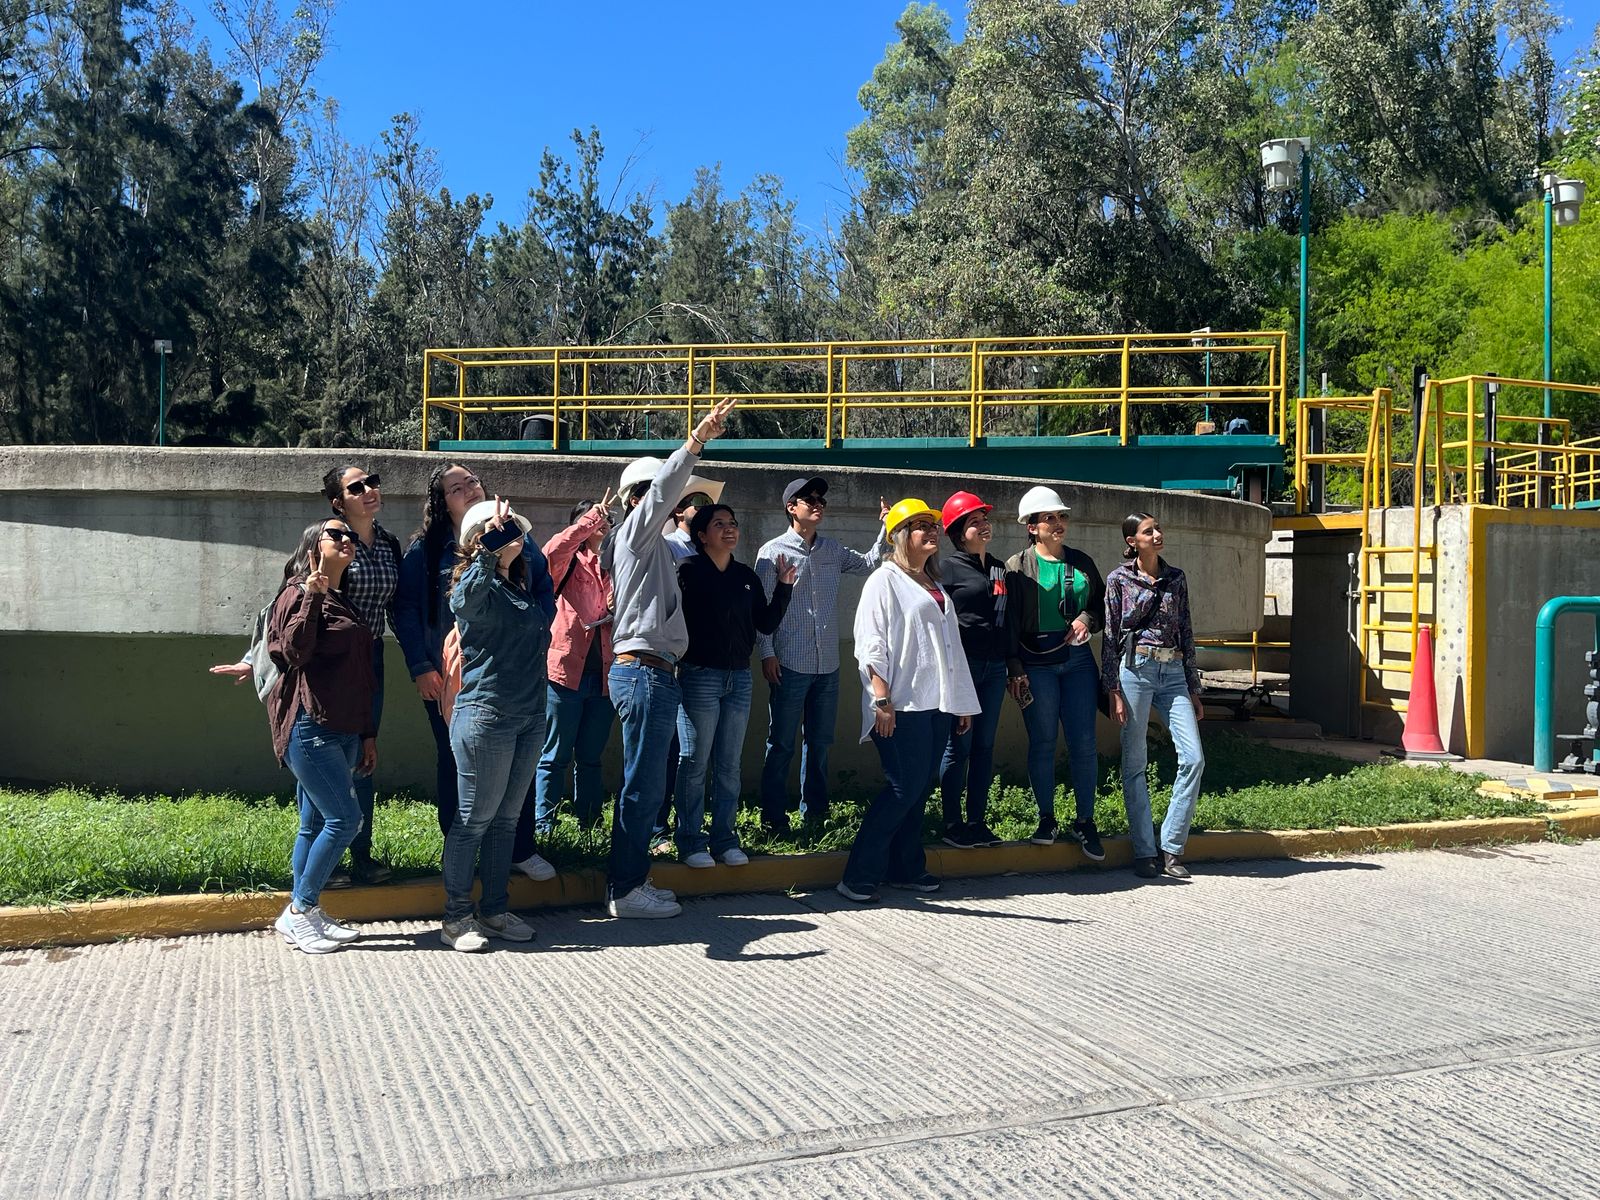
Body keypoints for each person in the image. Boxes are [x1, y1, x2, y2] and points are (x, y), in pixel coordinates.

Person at [601, 397, 738, 918]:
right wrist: (696, 440)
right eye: (670, 495)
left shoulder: (653, 548)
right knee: (643, 783)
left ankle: (629, 879)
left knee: (645, 780)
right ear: (641, 499)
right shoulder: (636, 535)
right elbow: (660, 494)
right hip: (644, 673)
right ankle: (625, 887)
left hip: (653, 674)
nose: (681, 505)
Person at [393, 463, 556, 844]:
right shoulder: (428, 549)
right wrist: (420, 666)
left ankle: (519, 848)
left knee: (520, 760)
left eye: (472, 482)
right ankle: (458, 845)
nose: (469, 489)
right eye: (456, 488)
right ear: (442, 503)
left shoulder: (518, 537)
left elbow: (544, 589)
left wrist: (535, 628)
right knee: (454, 760)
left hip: (513, 673)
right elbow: (405, 609)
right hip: (451, 674)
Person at [837, 499, 980, 903]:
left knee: (919, 790)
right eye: (920, 526)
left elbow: (950, 647)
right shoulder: (884, 581)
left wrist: (962, 701)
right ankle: (858, 874)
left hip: (935, 705)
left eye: (932, 525)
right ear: (901, 536)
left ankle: (905, 867)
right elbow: (871, 644)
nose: (931, 531)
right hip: (901, 705)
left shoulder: (930, 582)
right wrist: (881, 699)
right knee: (904, 787)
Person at [438, 497, 551, 951]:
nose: (516, 536)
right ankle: (456, 917)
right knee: (474, 820)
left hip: (528, 716)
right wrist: (490, 545)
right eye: (506, 529)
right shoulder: (473, 584)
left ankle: (496, 910)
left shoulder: (519, 587)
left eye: (517, 531)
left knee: (506, 822)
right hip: (487, 716)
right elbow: (463, 603)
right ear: (479, 540)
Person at [265, 518, 376, 954]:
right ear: (314, 545)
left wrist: (368, 733)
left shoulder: (342, 600)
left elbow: (362, 674)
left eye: (350, 536)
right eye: (337, 535)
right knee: (345, 820)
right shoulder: (296, 593)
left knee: (313, 824)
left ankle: (306, 912)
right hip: (311, 727)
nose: (347, 540)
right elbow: (291, 652)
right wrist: (311, 595)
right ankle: (297, 912)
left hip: (344, 727)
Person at [754, 478, 889, 835]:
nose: (818, 504)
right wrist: (767, 654)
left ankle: (814, 814)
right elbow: (761, 612)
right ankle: (773, 818)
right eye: (809, 499)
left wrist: (885, 529)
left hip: (827, 664)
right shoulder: (772, 553)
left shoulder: (832, 549)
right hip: (788, 664)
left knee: (820, 743)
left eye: (821, 500)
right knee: (781, 743)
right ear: (790, 507)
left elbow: (869, 563)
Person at [674, 504, 795, 867]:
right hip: (699, 676)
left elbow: (766, 623)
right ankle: (691, 841)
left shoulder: (745, 575)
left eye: (733, 523)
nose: (729, 529)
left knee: (729, 764)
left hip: (739, 677)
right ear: (701, 535)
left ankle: (725, 840)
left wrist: (784, 589)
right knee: (694, 761)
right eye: (719, 524)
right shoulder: (688, 571)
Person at [1103, 511, 1206, 880]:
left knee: (1193, 758)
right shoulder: (1119, 579)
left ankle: (1172, 847)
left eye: (1159, 528)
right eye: (1149, 531)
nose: (1158, 534)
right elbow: (1112, 637)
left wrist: (1194, 688)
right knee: (1135, 762)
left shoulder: (1176, 578)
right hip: (1136, 670)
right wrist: (1112, 689)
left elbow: (1187, 630)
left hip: (1175, 672)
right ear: (1133, 540)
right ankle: (1144, 851)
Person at [1005, 485, 1107, 857]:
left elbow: (1100, 605)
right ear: (1031, 527)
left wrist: (1086, 619)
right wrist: (1014, 669)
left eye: (1061, 516)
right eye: (1049, 518)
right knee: (1043, 741)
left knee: (1084, 743)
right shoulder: (1016, 566)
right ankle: (1045, 817)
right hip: (1036, 662)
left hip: (1078, 661)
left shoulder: (1082, 561)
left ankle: (1085, 820)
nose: (1058, 523)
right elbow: (1009, 624)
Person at [315, 464, 403, 887]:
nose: (370, 489)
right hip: (330, 664)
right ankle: (318, 862)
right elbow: (297, 596)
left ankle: (360, 855)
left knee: (364, 757)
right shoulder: (329, 541)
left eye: (373, 481)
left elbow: (398, 608)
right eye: (357, 487)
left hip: (371, 660)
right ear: (338, 501)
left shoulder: (387, 543)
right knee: (329, 759)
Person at [532, 496, 617, 834]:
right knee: (554, 754)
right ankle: (544, 825)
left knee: (591, 756)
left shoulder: (615, 563)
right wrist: (589, 520)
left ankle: (590, 822)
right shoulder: (568, 562)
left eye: (605, 517)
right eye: (595, 519)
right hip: (566, 671)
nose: (602, 522)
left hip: (606, 675)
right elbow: (552, 550)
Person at [936, 491, 1011, 849]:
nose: (984, 525)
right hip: (961, 670)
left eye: (985, 519)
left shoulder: (998, 567)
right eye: (974, 522)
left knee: (985, 745)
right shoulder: (946, 568)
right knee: (958, 746)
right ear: (957, 532)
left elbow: (1006, 619)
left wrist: (1014, 667)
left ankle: (977, 821)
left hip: (995, 669)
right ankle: (951, 823)